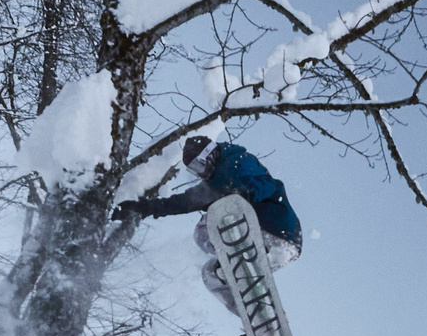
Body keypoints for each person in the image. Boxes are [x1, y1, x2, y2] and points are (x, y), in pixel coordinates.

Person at [116, 134, 302, 320]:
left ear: (209, 155)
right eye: (194, 170)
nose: (200, 173)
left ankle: (231, 257)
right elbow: (181, 203)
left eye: (199, 165)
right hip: (281, 250)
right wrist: (143, 208)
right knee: (210, 275)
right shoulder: (213, 185)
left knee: (208, 224)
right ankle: (258, 318)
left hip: (275, 229)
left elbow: (266, 184)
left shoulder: (237, 161)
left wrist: (246, 193)